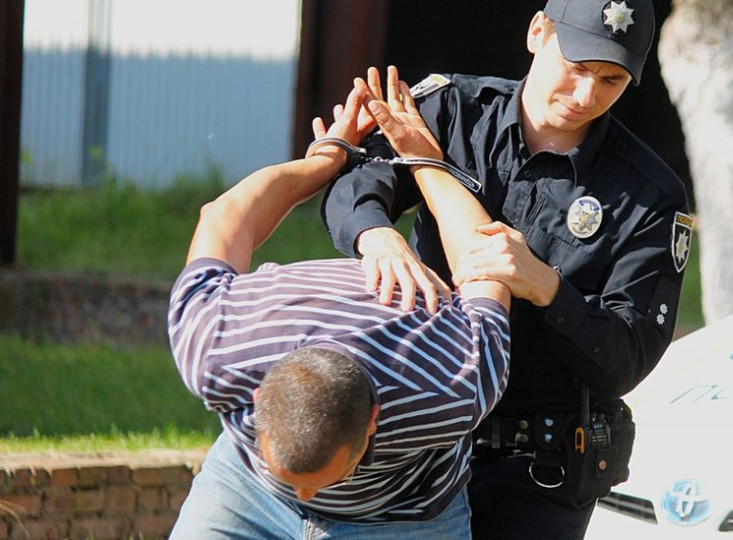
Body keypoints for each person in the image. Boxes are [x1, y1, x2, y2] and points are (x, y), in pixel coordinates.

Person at [321, 1, 691, 537]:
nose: (586, 96)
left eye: (610, 79)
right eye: (578, 67)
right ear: (538, 31)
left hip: (539, 472)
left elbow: (626, 358)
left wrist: (546, 287)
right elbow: (356, 177)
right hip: (420, 439)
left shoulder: (650, 195)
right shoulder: (451, 110)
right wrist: (374, 235)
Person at [167, 80, 511, 539]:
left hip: (403, 515)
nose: (307, 498)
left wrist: (428, 163)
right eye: (295, 478)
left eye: (332, 477)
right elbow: (224, 217)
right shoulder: (217, 346)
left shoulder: (453, 379)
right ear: (257, 399)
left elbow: (486, 262)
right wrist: (323, 161)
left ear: (373, 421)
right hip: (247, 494)